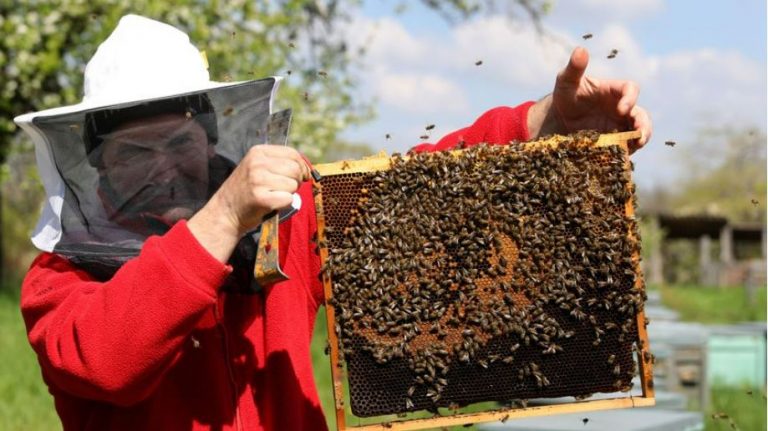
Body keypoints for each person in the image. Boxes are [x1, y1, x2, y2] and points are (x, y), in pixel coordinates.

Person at [14, 15, 651, 431]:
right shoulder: (61, 278)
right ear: (96, 172)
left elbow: (417, 193)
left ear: (210, 142)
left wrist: (546, 127)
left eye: (176, 142)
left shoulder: (283, 224)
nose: (162, 168)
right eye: (133, 153)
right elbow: (107, 362)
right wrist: (224, 215)